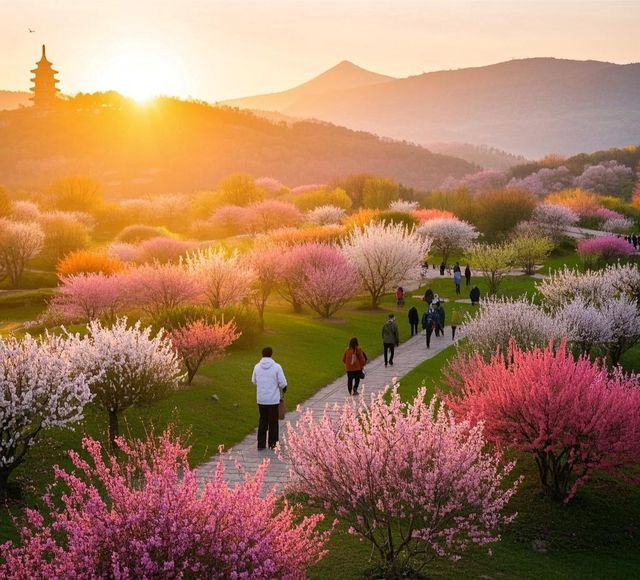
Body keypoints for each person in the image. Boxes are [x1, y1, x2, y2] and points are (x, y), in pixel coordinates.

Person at [252, 346, 287, 450]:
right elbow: (283, 383)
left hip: (261, 399)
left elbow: (253, 380)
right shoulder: (277, 367)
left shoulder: (257, 367)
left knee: (262, 421)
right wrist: (283, 388)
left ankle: (261, 444)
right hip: (273, 400)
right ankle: (273, 444)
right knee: (273, 422)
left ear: (262, 354)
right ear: (271, 354)